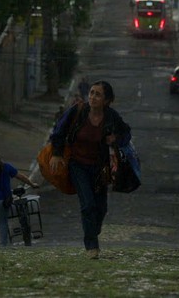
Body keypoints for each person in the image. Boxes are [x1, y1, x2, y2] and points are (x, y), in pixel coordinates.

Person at [49, 80, 131, 260]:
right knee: (88, 204)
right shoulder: (78, 112)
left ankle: (93, 229)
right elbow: (59, 131)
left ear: (107, 100)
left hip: (100, 168)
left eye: (98, 94)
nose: (93, 97)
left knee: (101, 208)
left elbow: (126, 133)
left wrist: (115, 139)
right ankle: (91, 246)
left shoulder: (111, 117)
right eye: (92, 93)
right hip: (77, 165)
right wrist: (56, 153)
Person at [0, 149, 38, 247]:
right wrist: (32, 184)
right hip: (3, 200)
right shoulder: (6, 167)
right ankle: (3, 245)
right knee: (3, 222)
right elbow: (20, 176)